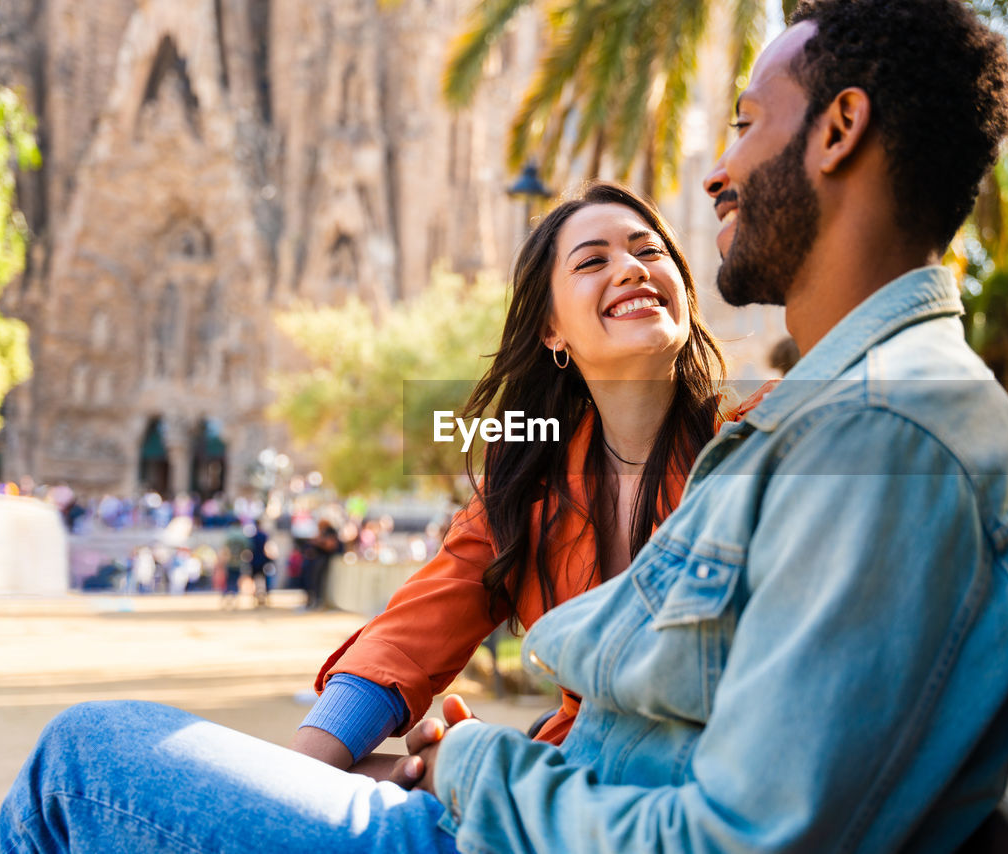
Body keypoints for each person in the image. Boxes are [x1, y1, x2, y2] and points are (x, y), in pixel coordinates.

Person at [0, 2, 1008, 852]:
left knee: (77, 764)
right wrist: (342, 757)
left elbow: (726, 829)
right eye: (592, 259)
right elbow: (455, 605)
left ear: (839, 131)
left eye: (746, 125)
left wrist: (465, 759)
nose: (714, 173)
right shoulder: (786, 433)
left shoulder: (865, 439)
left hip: (510, 817)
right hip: (525, 801)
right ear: (553, 338)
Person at [292, 181, 751, 773]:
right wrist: (302, 775)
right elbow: (407, 638)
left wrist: (476, 772)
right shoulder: (525, 490)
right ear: (551, 332)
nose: (632, 269)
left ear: (684, 292)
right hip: (570, 788)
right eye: (593, 261)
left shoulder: (759, 446)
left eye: (650, 251)